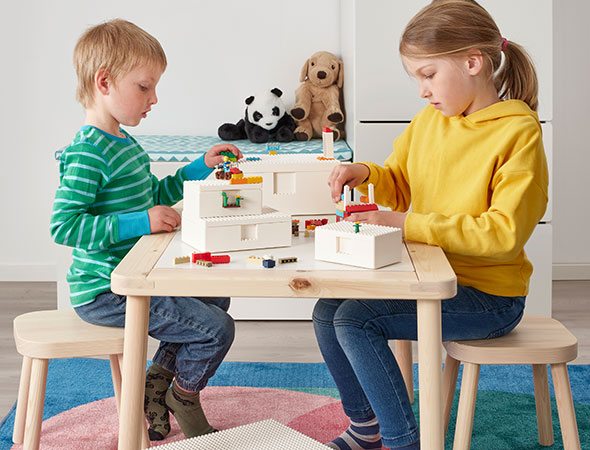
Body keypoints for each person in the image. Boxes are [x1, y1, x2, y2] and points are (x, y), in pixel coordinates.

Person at [314, 1, 549, 449]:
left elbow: (502, 235)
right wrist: (365, 172)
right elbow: (400, 183)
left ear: (473, 63)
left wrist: (406, 224)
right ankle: (367, 428)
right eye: (417, 78)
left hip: (487, 297)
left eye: (427, 74)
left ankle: (405, 442)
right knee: (329, 311)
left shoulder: (518, 133)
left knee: (355, 321)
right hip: (427, 279)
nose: (422, 90)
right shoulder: (429, 122)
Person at [50, 19, 243, 441]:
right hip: (107, 290)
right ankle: (183, 395)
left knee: (216, 295)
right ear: (104, 82)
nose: (154, 98)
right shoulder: (88, 152)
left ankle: (155, 384)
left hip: (139, 273)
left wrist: (199, 166)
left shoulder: (124, 144)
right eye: (144, 87)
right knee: (216, 329)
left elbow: (155, 193)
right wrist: (143, 222)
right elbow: (64, 226)